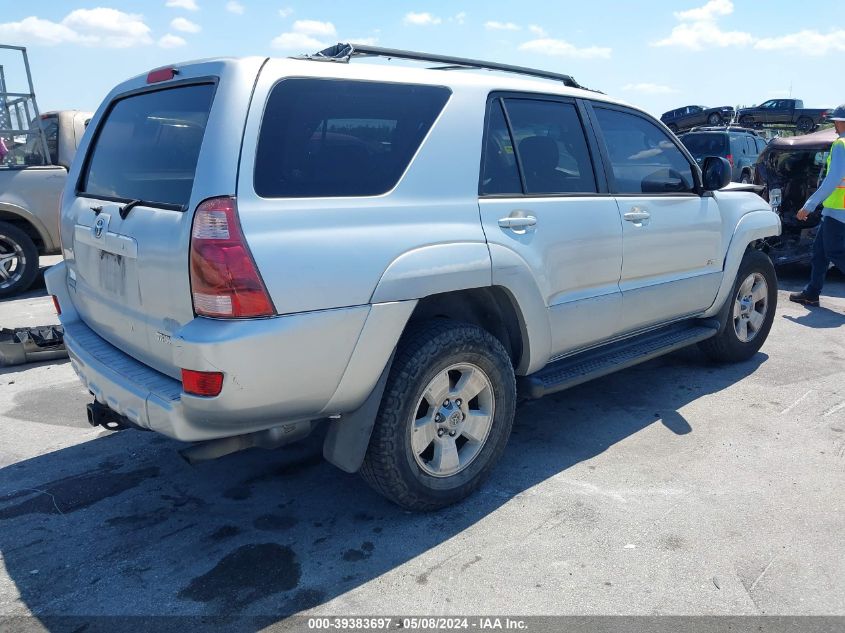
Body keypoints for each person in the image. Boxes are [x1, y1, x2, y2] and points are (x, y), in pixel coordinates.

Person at [789, 104, 845, 307]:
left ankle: (812, 292)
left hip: (837, 211)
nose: (835, 127)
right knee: (819, 252)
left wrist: (809, 205)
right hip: (838, 211)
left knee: (834, 252)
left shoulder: (841, 144)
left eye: (836, 122)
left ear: (841, 122)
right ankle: (811, 293)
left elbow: (834, 179)